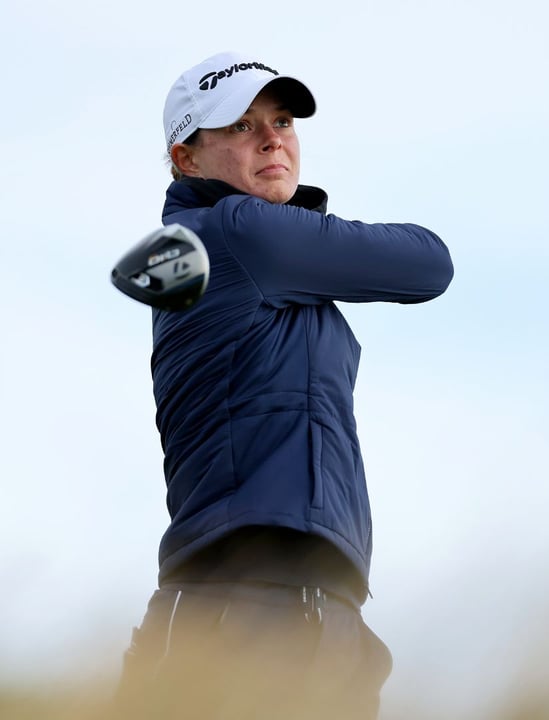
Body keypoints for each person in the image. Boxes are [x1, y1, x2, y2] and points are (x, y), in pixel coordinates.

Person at [111, 51, 454, 720]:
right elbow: (428, 263)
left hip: (313, 602)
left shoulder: (227, 245)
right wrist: (305, 228)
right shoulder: (239, 233)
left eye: (283, 120)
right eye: (240, 126)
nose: (273, 137)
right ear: (187, 159)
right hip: (245, 598)